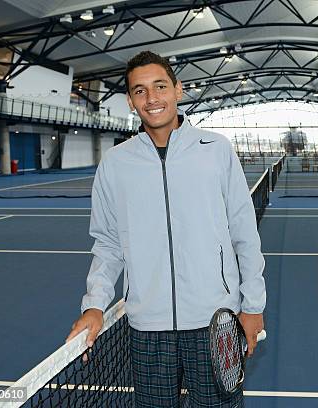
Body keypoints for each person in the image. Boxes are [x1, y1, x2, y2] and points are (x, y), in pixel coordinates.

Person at [66, 51, 266, 407]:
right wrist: (94, 305)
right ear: (130, 100)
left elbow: (244, 232)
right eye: (140, 91)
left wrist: (252, 306)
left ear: (179, 89)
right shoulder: (115, 164)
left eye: (160, 86)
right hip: (148, 329)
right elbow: (108, 244)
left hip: (215, 323)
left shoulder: (217, 150)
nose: (152, 98)